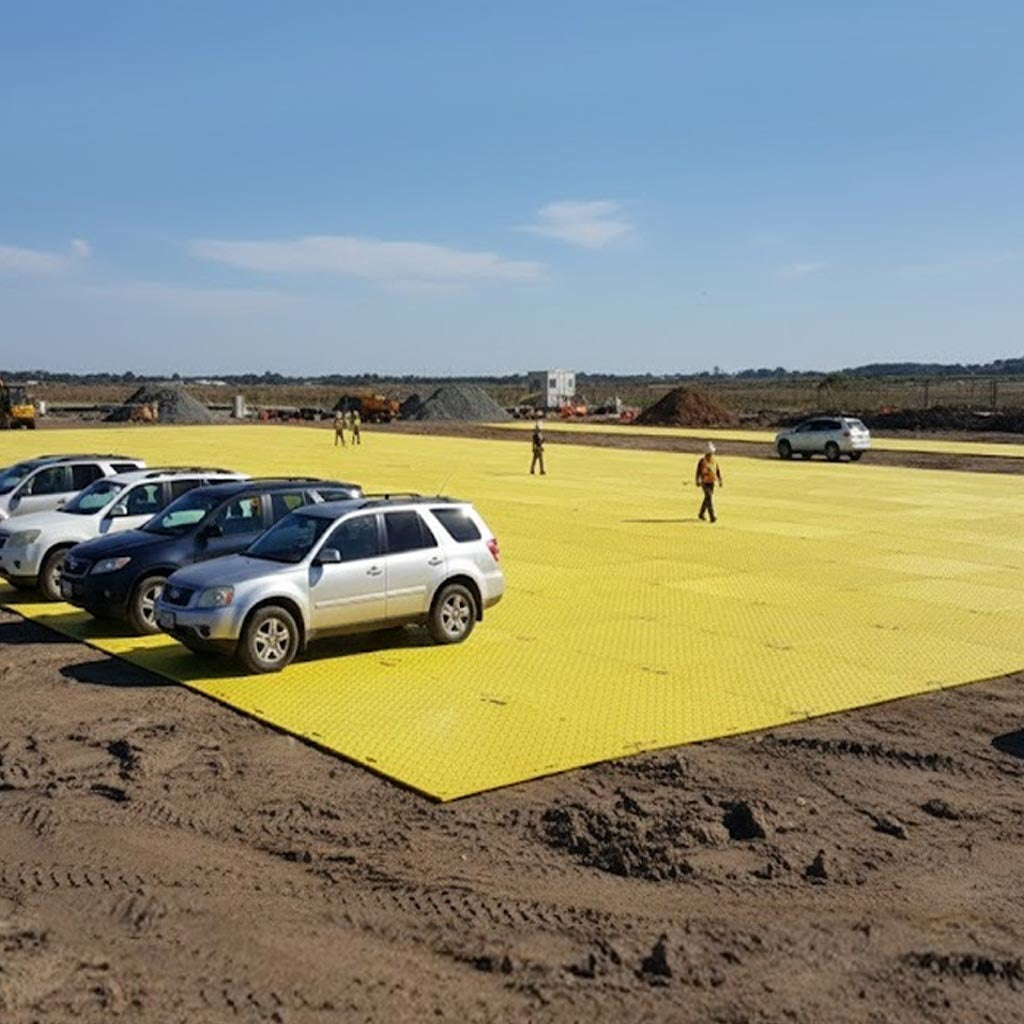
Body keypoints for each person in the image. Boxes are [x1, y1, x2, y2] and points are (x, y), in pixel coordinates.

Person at [695, 441, 723, 522]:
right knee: (709, 497)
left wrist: (720, 480)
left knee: (707, 498)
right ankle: (712, 516)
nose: (710, 454)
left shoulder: (714, 460)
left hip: (712, 482)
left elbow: (717, 470)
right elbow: (698, 471)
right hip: (704, 482)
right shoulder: (702, 461)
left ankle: (701, 513)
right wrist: (697, 480)